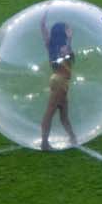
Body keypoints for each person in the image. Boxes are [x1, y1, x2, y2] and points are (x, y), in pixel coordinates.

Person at [39, 16, 77, 150]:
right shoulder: (64, 48)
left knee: (63, 114)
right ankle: (44, 143)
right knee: (50, 112)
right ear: (63, 33)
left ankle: (73, 138)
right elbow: (67, 52)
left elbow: (44, 31)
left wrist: (43, 20)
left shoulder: (51, 46)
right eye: (67, 29)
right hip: (60, 82)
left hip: (59, 81)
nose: (69, 30)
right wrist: (70, 39)